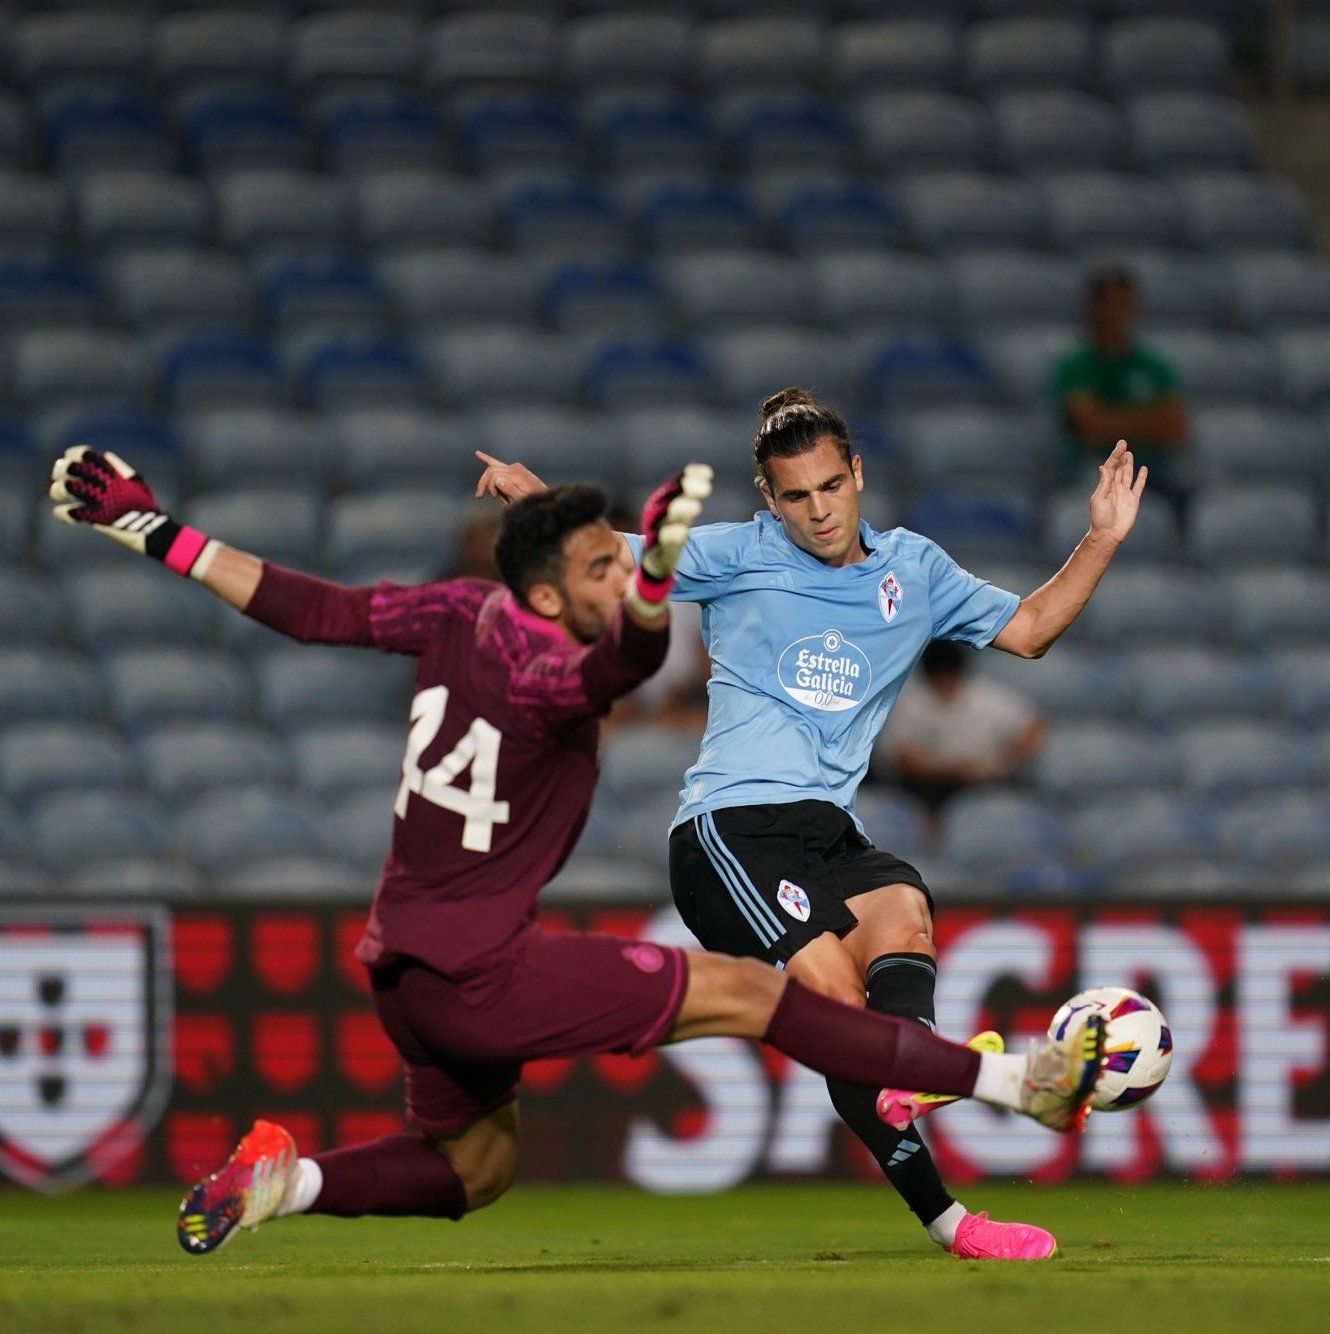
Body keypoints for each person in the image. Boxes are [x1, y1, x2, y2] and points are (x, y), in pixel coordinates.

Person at [46, 444, 1104, 1257]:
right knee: (755, 996)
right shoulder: (551, 679)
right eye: (603, 568)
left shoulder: (453, 612)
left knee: (477, 1165)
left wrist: (154, 527)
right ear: (552, 597)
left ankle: (290, 1179)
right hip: (479, 970)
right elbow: (631, 657)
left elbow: (313, 609)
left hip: (401, 971)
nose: (627, 577)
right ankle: (1021, 1086)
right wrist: (647, 594)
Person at [475, 388, 1145, 1261]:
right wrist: (541, 507)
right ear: (769, 499)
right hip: (729, 833)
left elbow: (1032, 629)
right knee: (838, 1004)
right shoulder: (734, 555)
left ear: (858, 474)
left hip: (827, 829)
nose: (819, 510)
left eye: (832, 486)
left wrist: (1100, 539)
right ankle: (950, 1207)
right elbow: (608, 564)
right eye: (796, 496)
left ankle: (920, 1079)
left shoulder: (916, 572)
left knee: (903, 903)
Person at [1053, 268, 1190, 508]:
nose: (1118, 315)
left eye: (1126, 306)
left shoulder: (1153, 365)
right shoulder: (1076, 366)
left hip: (1152, 472)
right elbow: (1089, 428)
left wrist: (1112, 420)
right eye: (1111, 305)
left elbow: (1177, 428)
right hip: (1096, 470)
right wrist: (1149, 422)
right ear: (1093, 309)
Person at [878, 639, 1046, 817]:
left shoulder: (986, 695)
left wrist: (1007, 762)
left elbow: (1033, 726)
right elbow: (904, 758)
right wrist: (954, 772)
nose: (946, 684)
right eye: (939, 679)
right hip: (925, 789)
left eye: (950, 677)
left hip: (988, 784)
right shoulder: (908, 700)